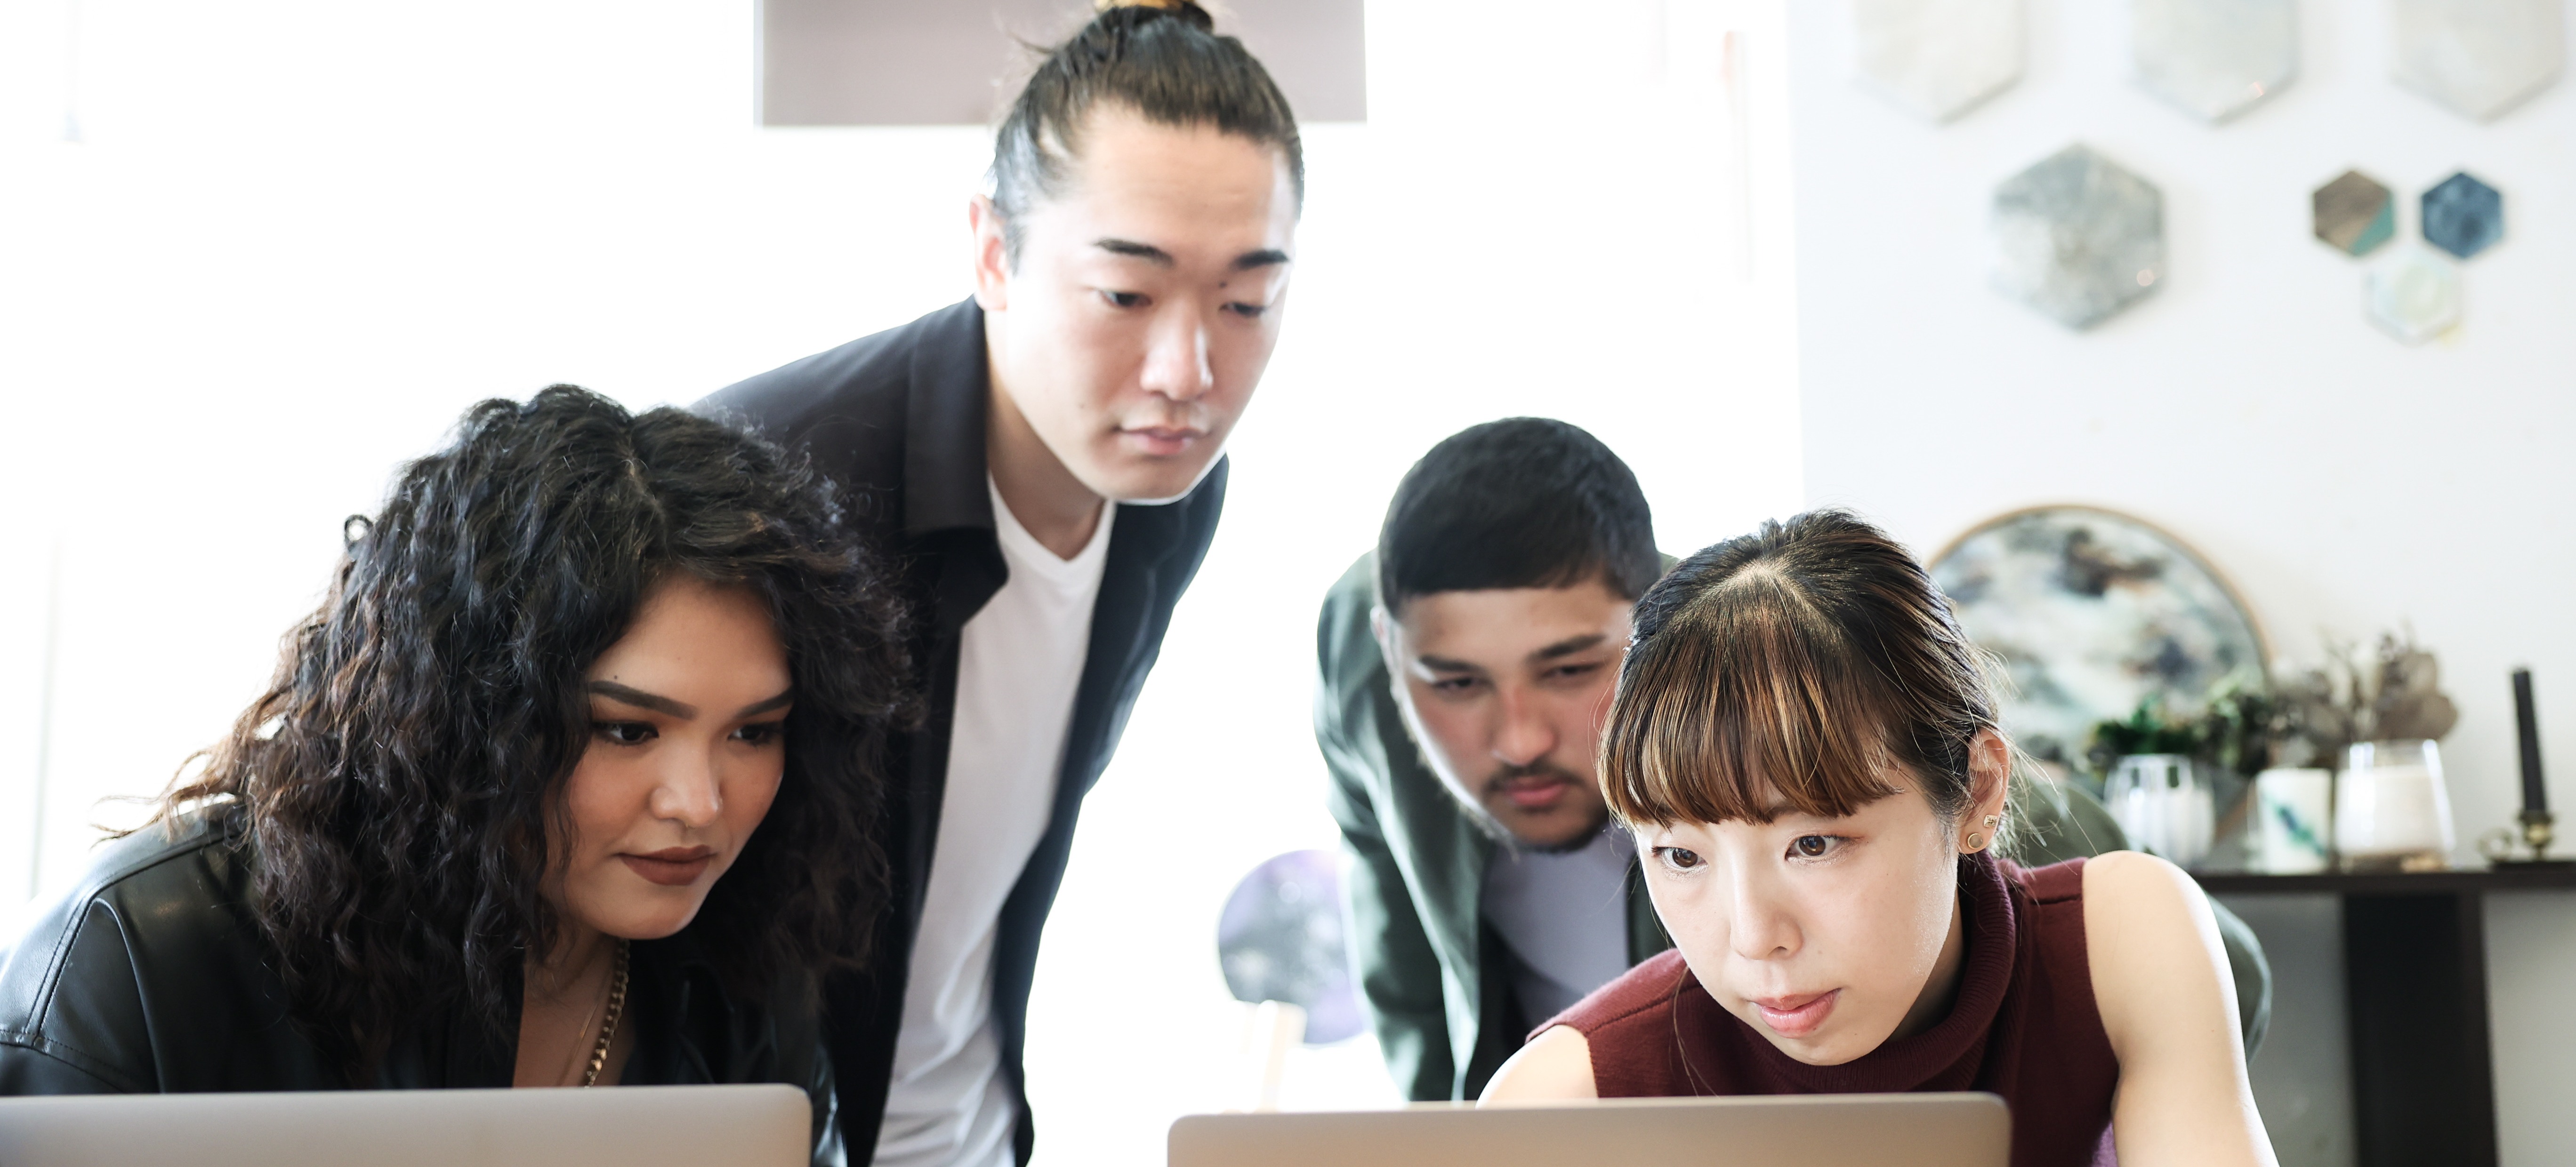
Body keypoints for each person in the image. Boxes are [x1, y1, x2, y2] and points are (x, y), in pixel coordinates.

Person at [0, 388, 912, 1167]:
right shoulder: (145, 959)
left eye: (755, 732)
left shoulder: (745, 965)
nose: (702, 804)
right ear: (470, 716)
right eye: (628, 729)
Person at [692, 2, 1300, 1162]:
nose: (1190, 373)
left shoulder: (1168, 498)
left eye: (1249, 302)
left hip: (972, 1134)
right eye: (1127, 296)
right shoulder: (772, 487)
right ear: (992, 252)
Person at [1317, 419, 2269, 1102]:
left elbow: (2181, 974)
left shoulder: (1825, 715)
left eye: (1569, 669)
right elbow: (1406, 976)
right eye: (1677, 852)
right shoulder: (1360, 677)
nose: (1518, 736)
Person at [1480, 510, 2278, 1167]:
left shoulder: (2121, 940)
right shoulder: (1564, 1102)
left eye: (1814, 845)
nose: (1755, 939)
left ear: (1978, 792)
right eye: (1682, 856)